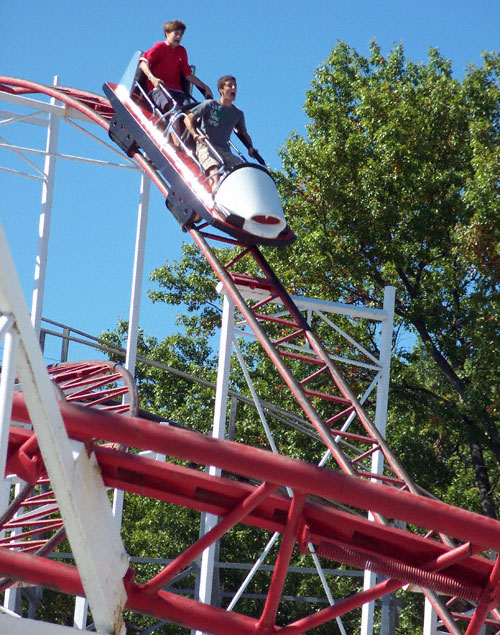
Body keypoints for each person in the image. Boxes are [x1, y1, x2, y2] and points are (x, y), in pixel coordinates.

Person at [184, 75, 259, 191]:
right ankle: (214, 197)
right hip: (206, 147)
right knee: (214, 169)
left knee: (243, 172)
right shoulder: (210, 105)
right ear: (221, 90)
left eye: (235, 86)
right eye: (230, 86)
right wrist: (195, 135)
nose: (234, 88)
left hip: (225, 151)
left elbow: (244, 134)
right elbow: (188, 119)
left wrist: (251, 148)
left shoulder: (238, 113)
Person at [139, 19, 213, 113]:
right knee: (173, 109)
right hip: (159, 89)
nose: (178, 37)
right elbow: (143, 63)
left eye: (181, 35)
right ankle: (174, 125)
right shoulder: (160, 46)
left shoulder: (181, 51)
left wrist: (205, 87)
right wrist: (152, 78)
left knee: (191, 113)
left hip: (177, 91)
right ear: (167, 33)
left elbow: (188, 75)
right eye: (176, 33)